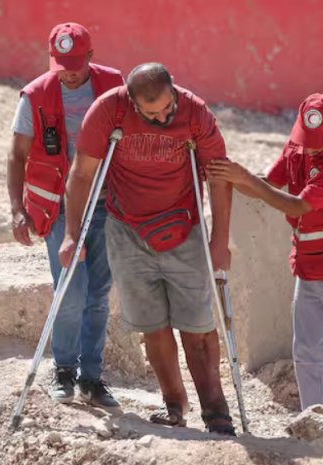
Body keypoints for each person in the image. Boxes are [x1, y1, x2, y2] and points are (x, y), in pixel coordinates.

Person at [60, 62, 237, 435]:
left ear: (173, 90)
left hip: (183, 229)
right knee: (153, 326)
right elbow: (81, 174)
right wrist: (71, 234)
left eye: (166, 108)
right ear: (133, 101)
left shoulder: (195, 113)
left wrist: (219, 240)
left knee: (198, 327)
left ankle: (216, 411)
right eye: (151, 112)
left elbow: (220, 177)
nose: (162, 117)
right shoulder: (110, 110)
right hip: (127, 231)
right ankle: (174, 404)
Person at [206, 93, 323, 439]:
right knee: (309, 355)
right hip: (309, 268)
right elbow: (268, 185)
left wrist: (243, 177)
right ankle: (318, 430)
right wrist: (231, 175)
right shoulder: (298, 147)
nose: (311, 149)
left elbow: (299, 204)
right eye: (307, 140)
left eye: (319, 142)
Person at [6, 22, 124, 407]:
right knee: (70, 290)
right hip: (57, 207)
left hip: (105, 203)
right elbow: (17, 155)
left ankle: (92, 376)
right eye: (62, 64)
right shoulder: (35, 95)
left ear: (90, 56)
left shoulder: (113, 86)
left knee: (98, 292)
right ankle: (64, 371)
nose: (70, 72)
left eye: (76, 63)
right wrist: (17, 210)